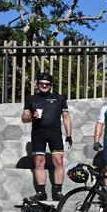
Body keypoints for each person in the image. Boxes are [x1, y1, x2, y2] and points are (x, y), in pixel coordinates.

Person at [22, 71, 73, 201]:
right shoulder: (32, 99)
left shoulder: (60, 98)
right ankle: (41, 192)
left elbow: (66, 118)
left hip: (55, 133)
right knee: (39, 162)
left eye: (47, 84)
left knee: (58, 161)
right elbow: (24, 118)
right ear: (38, 84)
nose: (44, 86)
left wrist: (69, 134)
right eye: (41, 83)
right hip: (38, 134)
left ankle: (58, 192)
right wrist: (31, 116)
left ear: (51, 85)